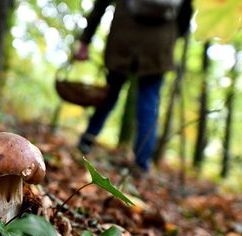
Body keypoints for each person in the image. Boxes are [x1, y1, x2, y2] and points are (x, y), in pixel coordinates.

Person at [74, 0, 192, 172]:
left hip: (123, 36)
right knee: (149, 103)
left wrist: (86, 39)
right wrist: (173, 35)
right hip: (160, 42)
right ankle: (141, 163)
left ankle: (86, 142)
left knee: (109, 94)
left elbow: (101, 4)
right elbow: (185, 13)